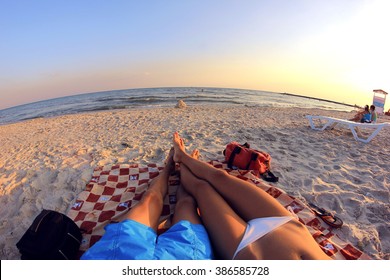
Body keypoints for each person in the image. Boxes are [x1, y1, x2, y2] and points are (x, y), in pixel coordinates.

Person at [172, 132, 331, 260]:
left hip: (246, 248)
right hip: (289, 227)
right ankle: (182, 157)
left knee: (202, 189)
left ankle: (182, 167)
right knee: (222, 178)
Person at [81, 148, 213, 260]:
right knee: (186, 203)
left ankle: (172, 168)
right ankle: (180, 167)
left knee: (151, 198)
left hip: (117, 256)